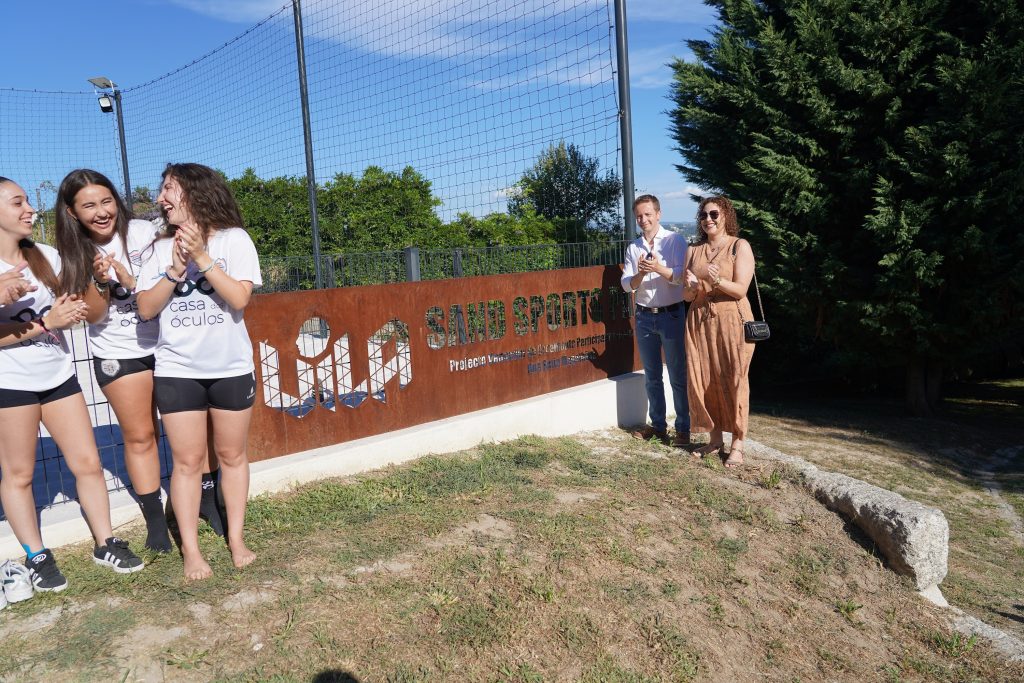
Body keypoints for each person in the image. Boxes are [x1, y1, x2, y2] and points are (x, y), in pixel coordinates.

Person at [0, 177, 144, 591]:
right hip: (11, 383)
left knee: (87, 463)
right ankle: (37, 555)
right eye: (18, 203)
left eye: (28, 201)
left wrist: (98, 283)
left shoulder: (45, 257)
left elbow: (89, 312)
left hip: (59, 376)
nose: (30, 209)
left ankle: (106, 542)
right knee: (19, 474)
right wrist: (43, 322)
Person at [137, 163, 261, 580]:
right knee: (188, 462)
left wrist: (203, 258)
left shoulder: (234, 239)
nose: (160, 199)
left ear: (194, 192)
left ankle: (237, 538)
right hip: (177, 371)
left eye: (169, 189)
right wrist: (174, 270)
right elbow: (146, 309)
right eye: (162, 190)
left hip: (231, 368)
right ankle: (191, 550)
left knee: (232, 455)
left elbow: (239, 299)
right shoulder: (157, 249)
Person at [53, 169, 172, 552]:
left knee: (190, 430)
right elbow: (95, 316)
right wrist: (101, 281)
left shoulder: (142, 232)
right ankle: (156, 520)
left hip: (172, 344)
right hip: (119, 353)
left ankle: (204, 501)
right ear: (72, 213)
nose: (102, 212)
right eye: (89, 205)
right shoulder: (72, 255)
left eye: (106, 201)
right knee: (140, 436)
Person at [682, 196, 755, 468]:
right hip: (699, 320)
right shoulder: (694, 251)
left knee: (735, 378)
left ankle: (738, 443)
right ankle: (715, 440)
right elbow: (687, 296)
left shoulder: (739, 246)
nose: (708, 219)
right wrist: (690, 285)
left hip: (731, 320)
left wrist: (717, 280)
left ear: (726, 216)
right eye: (703, 215)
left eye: (714, 214)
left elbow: (740, 290)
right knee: (704, 379)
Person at [620, 194, 690, 447]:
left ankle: (684, 428)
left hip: (672, 314)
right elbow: (627, 285)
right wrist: (641, 273)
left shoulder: (674, 240)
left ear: (658, 214)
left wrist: (659, 268)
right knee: (652, 376)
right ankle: (658, 426)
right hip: (644, 316)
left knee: (677, 375)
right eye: (639, 215)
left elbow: (683, 277)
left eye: (648, 214)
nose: (643, 219)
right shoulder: (633, 247)